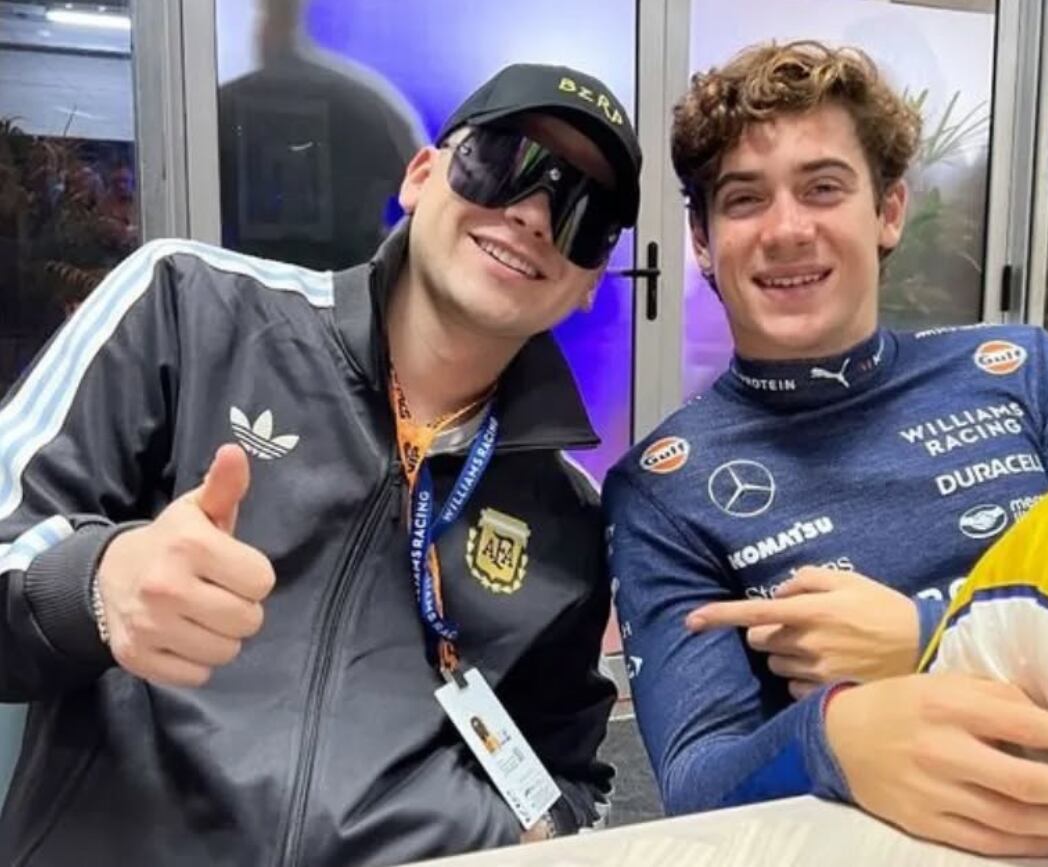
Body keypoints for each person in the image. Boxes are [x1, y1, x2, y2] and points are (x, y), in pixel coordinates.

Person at [0, 61, 641, 864]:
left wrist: (521, 830)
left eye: (585, 210)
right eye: (503, 159)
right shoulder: (191, 308)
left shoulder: (568, 515)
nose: (535, 214)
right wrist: (98, 585)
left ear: (590, 283)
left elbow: (566, 771)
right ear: (421, 176)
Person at [603, 40, 1048, 857]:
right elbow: (697, 780)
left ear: (889, 210)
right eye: (745, 199)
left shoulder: (1021, 372)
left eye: (823, 188)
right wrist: (839, 732)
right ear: (704, 240)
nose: (787, 229)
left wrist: (930, 635)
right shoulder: (663, 487)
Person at [218, 0, 427, 269]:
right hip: (353, 284)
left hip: (245, 286)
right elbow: (428, 195)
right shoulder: (366, 103)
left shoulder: (217, 110)